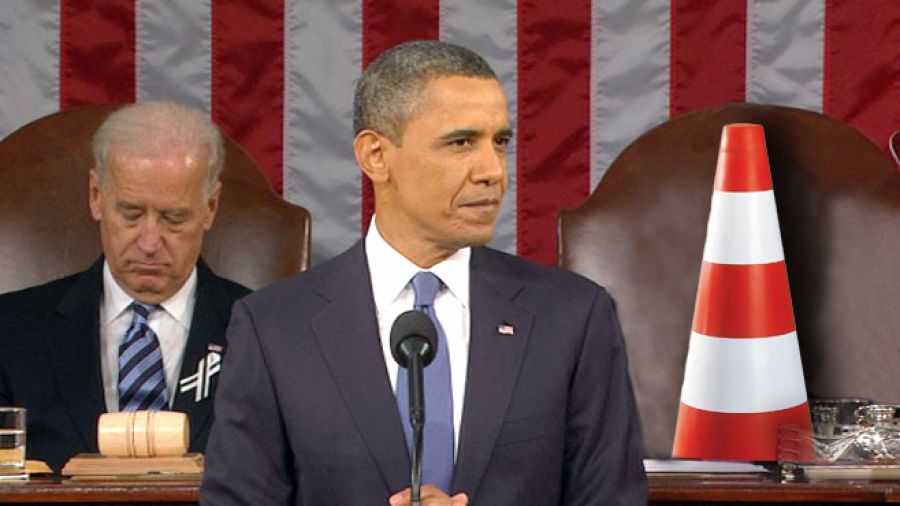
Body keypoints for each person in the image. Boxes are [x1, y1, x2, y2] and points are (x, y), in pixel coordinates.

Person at [201, 40, 647, 505]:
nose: (493, 171)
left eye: (499, 142)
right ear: (376, 155)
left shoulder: (572, 318)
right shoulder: (274, 328)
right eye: (461, 143)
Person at [0, 101, 250, 471]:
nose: (149, 242)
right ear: (96, 197)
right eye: (131, 214)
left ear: (210, 207)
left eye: (174, 218)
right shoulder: (10, 333)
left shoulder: (265, 333)